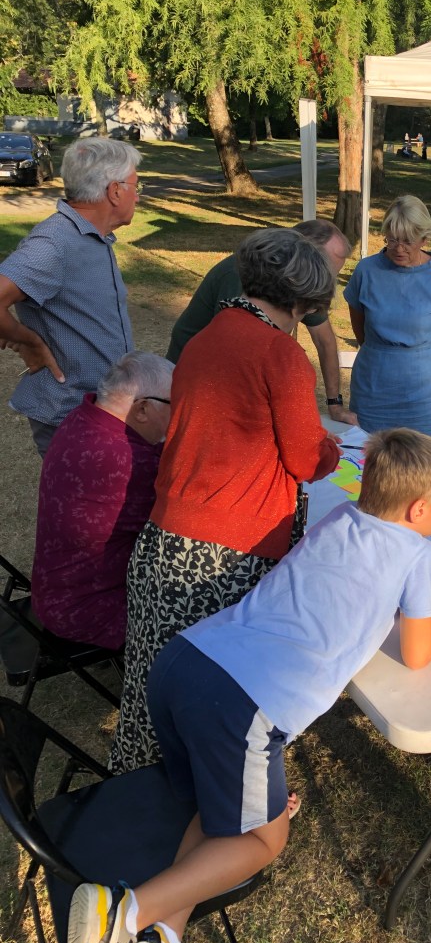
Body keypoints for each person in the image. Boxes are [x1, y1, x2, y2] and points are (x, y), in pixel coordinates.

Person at [63, 428, 431, 943]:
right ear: (419, 509)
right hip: (241, 704)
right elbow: (417, 654)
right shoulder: (419, 552)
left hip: (184, 662)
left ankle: (162, 942)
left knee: (221, 813)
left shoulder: (339, 517)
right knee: (264, 840)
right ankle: (122, 913)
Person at [109, 228, 342, 774]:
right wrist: (330, 447)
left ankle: (139, 787)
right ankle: (211, 795)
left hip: (166, 540)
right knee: (219, 690)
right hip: (226, 552)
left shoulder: (207, 335)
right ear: (303, 300)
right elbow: (307, 459)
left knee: (153, 685)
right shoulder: (281, 354)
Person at [0, 137, 141, 456]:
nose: (137, 195)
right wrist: (30, 342)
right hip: (72, 413)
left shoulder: (92, 236)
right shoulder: (54, 242)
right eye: (135, 186)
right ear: (115, 191)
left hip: (101, 409)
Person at [31, 352, 173, 650]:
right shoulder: (128, 461)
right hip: (91, 607)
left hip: (58, 589)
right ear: (142, 409)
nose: (179, 417)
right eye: (175, 406)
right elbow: (180, 524)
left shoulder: (83, 415)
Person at [166, 219, 357, 425]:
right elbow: (236, 356)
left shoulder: (297, 285)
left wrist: (334, 404)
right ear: (300, 252)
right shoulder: (243, 276)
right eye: (323, 271)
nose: (324, 283)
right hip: (194, 381)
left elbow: (324, 341)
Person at [344, 195, 431, 448]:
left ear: (424, 238)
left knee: (425, 461)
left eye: (408, 241)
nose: (399, 249)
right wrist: (382, 356)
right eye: (392, 240)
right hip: (372, 388)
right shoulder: (366, 270)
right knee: (370, 459)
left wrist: (420, 361)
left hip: (423, 394)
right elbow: (359, 328)